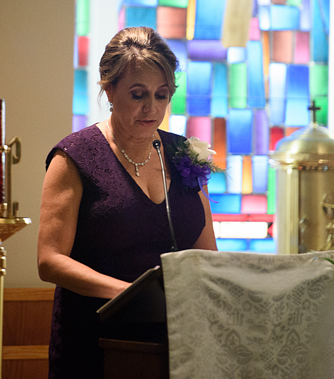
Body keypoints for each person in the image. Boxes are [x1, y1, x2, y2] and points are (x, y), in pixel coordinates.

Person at [37, 26, 218, 379]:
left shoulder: (184, 155)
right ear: (109, 89)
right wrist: (129, 294)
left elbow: (206, 256)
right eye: (138, 95)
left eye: (162, 95)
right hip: (95, 343)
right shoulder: (74, 158)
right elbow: (50, 260)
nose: (152, 107)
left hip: (175, 343)